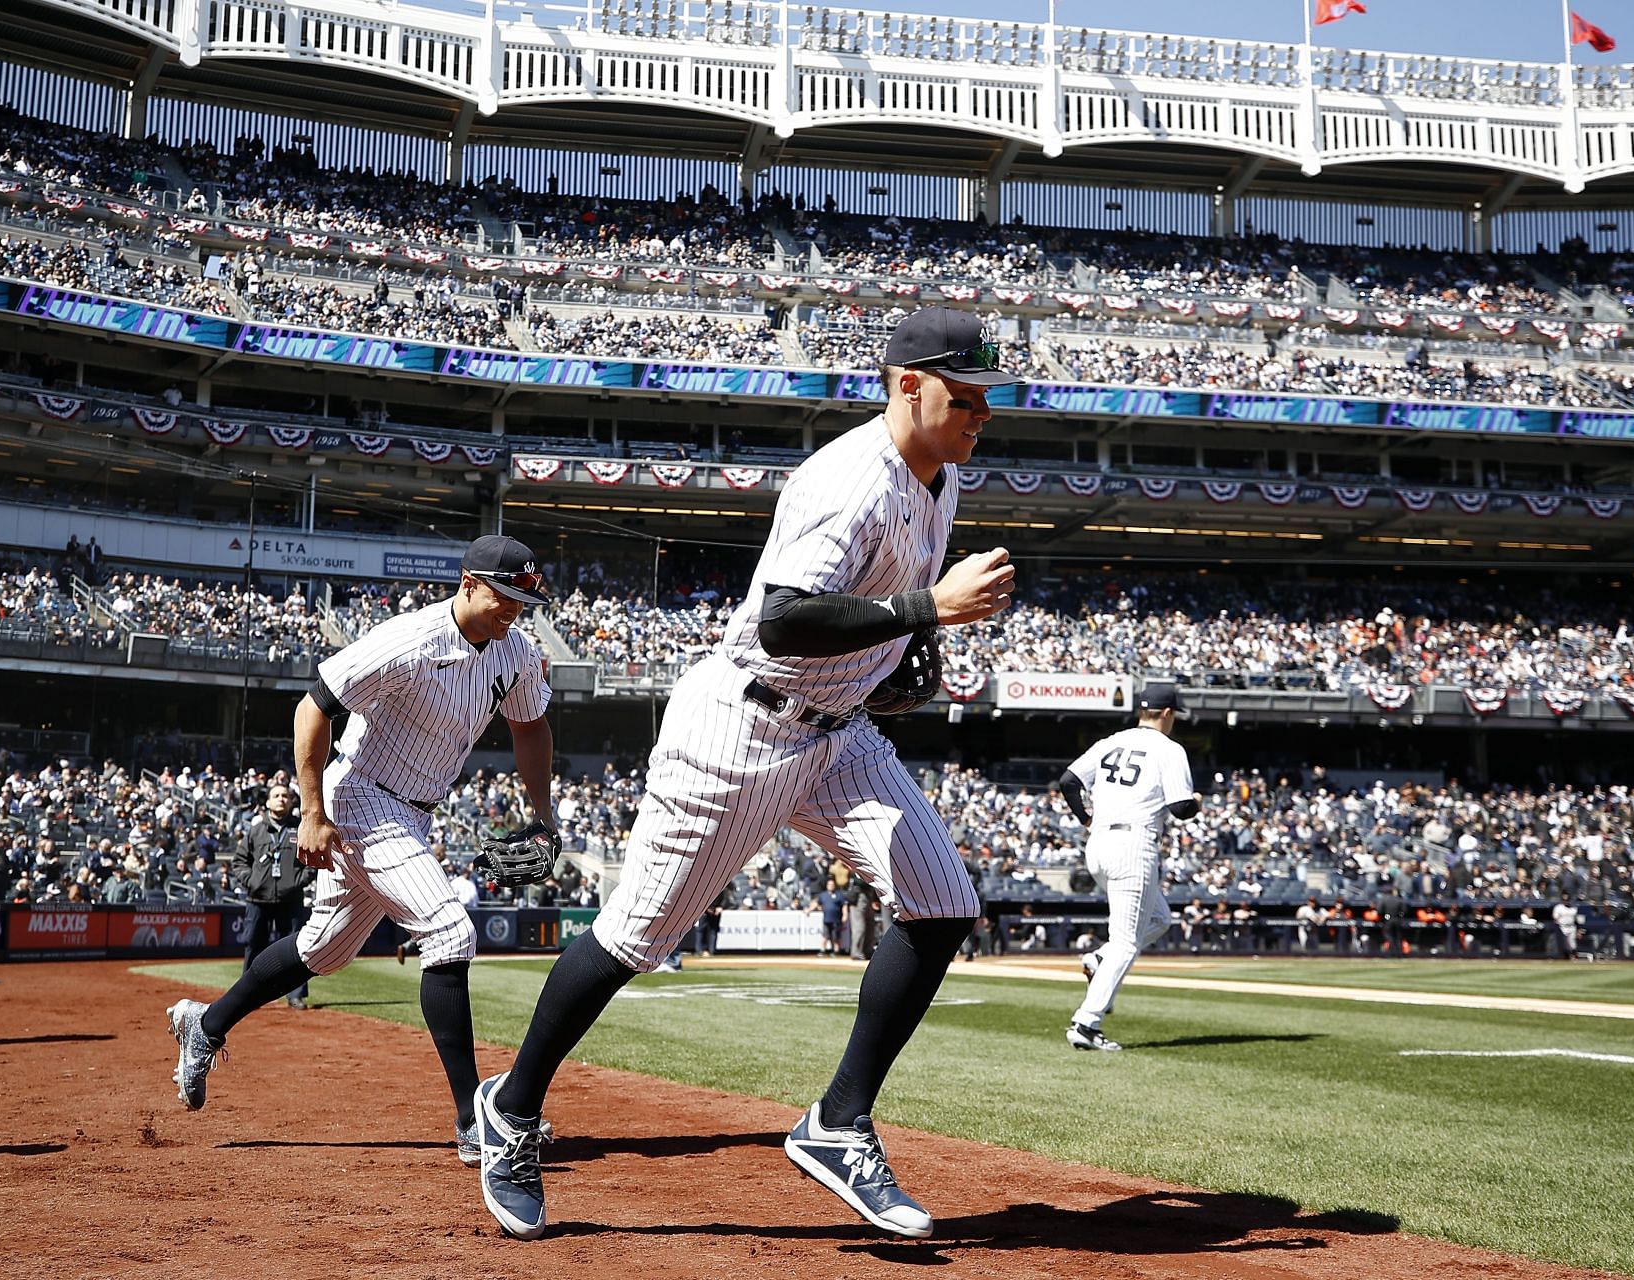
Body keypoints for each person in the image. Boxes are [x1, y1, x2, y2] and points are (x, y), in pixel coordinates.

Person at [473, 307, 1021, 1243]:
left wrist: (893, 657)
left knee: (942, 904)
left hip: (837, 736)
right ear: (906, 385)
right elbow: (783, 623)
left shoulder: (942, 477)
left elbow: (861, 618)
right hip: (745, 726)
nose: (980, 413)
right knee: (631, 940)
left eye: (986, 397)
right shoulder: (849, 481)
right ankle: (512, 1110)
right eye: (964, 394)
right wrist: (928, 606)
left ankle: (838, 1124)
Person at [167, 534, 555, 1172]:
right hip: (362, 798)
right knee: (450, 931)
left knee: (324, 951)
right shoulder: (409, 640)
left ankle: (204, 1027)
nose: (513, 609)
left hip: (413, 811)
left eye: (523, 598)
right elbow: (313, 706)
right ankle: (473, 1121)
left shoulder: (513, 650)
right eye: (503, 595)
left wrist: (542, 816)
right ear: (467, 584)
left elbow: (531, 726)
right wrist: (313, 812)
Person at [1056, 683, 1197, 1052]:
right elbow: (1182, 808)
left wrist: (1085, 817)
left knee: (1159, 919)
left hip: (1099, 843)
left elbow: (1068, 781)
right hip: (1133, 845)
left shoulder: (1110, 741)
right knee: (1125, 943)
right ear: (1167, 714)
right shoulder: (1169, 748)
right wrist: (1197, 801)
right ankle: (1086, 1023)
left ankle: (1097, 959)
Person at [238, 781, 312, 1009]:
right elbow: (239, 861)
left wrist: (296, 883)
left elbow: (312, 862)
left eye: (285, 796)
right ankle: (247, 996)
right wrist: (251, 883)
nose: (281, 798)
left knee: (296, 949)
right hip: (258, 899)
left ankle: (295, 995)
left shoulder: (301, 829)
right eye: (276, 795)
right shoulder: (256, 831)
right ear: (267, 802)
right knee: (253, 945)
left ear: (291, 802)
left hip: (290, 900)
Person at [814, 876, 846, 955]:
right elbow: (817, 903)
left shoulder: (839, 895)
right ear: (827, 885)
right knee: (825, 935)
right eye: (829, 884)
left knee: (836, 937)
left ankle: (836, 951)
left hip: (836, 919)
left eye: (832, 884)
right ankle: (822, 950)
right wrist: (809, 909)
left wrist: (845, 915)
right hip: (826, 919)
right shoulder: (823, 895)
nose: (831, 886)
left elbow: (844, 906)